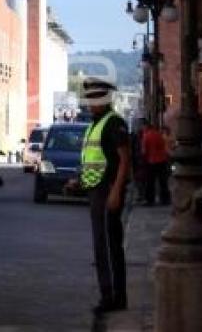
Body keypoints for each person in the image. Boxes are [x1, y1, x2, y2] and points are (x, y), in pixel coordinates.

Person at [69, 78, 131, 315]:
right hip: (97, 192)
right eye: (89, 99)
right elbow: (93, 162)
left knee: (108, 246)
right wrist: (79, 181)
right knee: (100, 246)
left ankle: (115, 297)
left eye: (94, 99)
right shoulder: (95, 124)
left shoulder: (114, 123)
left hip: (108, 192)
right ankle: (108, 294)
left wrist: (116, 191)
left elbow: (124, 160)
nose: (90, 103)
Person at [141, 123, 170, 206]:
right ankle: (165, 199)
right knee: (163, 181)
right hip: (162, 160)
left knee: (150, 182)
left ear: (147, 128)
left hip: (151, 161)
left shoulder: (146, 136)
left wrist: (143, 162)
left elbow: (144, 151)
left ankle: (150, 200)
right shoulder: (159, 135)